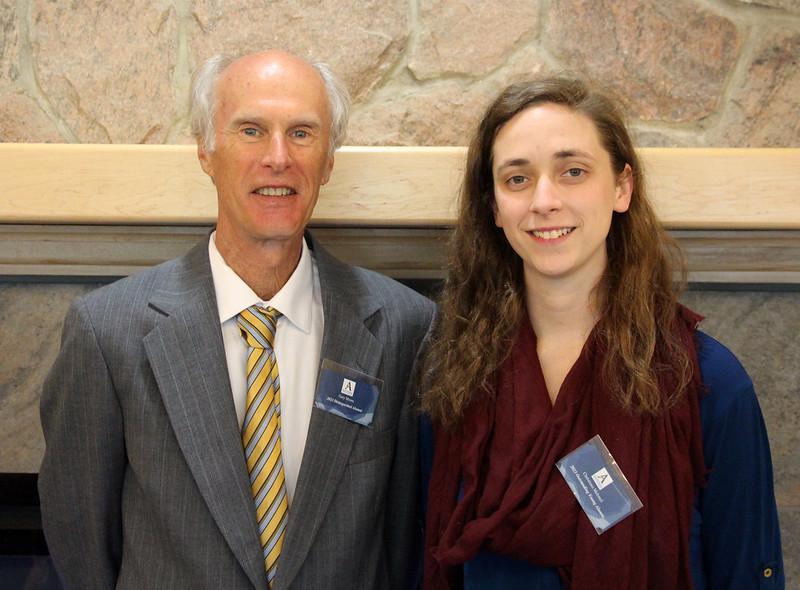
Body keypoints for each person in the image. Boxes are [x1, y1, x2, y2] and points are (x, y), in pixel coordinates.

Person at [38, 50, 434, 590]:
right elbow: (82, 540)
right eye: (251, 130)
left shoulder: (403, 327)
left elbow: (403, 538)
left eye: (302, 133)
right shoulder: (107, 332)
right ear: (206, 149)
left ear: (329, 159)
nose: (278, 158)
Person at [420, 77, 784, 589]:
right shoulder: (456, 378)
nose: (544, 200)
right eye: (517, 179)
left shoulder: (708, 383)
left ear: (621, 187)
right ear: (494, 207)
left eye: (573, 172)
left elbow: (748, 572)